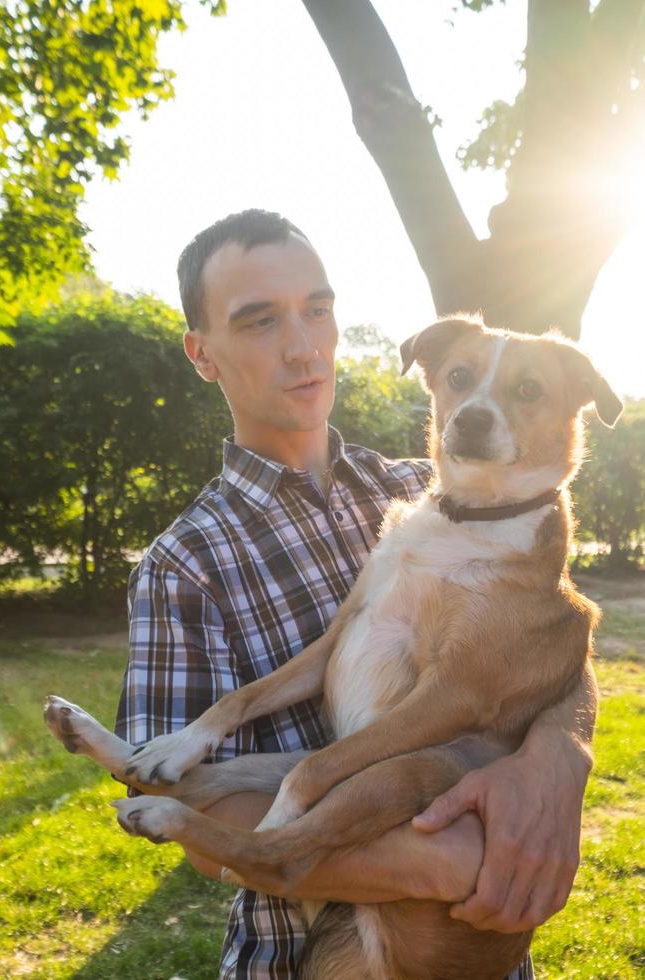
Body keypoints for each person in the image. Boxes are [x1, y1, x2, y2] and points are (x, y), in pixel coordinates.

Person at [115, 209, 597, 980]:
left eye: (318, 309)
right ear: (201, 354)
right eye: (260, 320)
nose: (304, 345)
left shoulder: (435, 492)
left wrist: (558, 754)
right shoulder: (183, 566)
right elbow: (186, 804)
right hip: (307, 952)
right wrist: (451, 868)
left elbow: (549, 644)